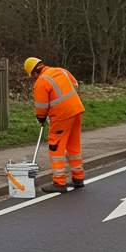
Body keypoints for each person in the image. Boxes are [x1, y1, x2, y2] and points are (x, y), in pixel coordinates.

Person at [25, 57, 87, 193]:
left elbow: (41, 106)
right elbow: (75, 85)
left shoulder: (41, 82)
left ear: (34, 72)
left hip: (61, 115)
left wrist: (41, 118)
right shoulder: (61, 71)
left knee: (56, 146)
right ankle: (78, 178)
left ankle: (59, 182)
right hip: (76, 110)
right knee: (73, 145)